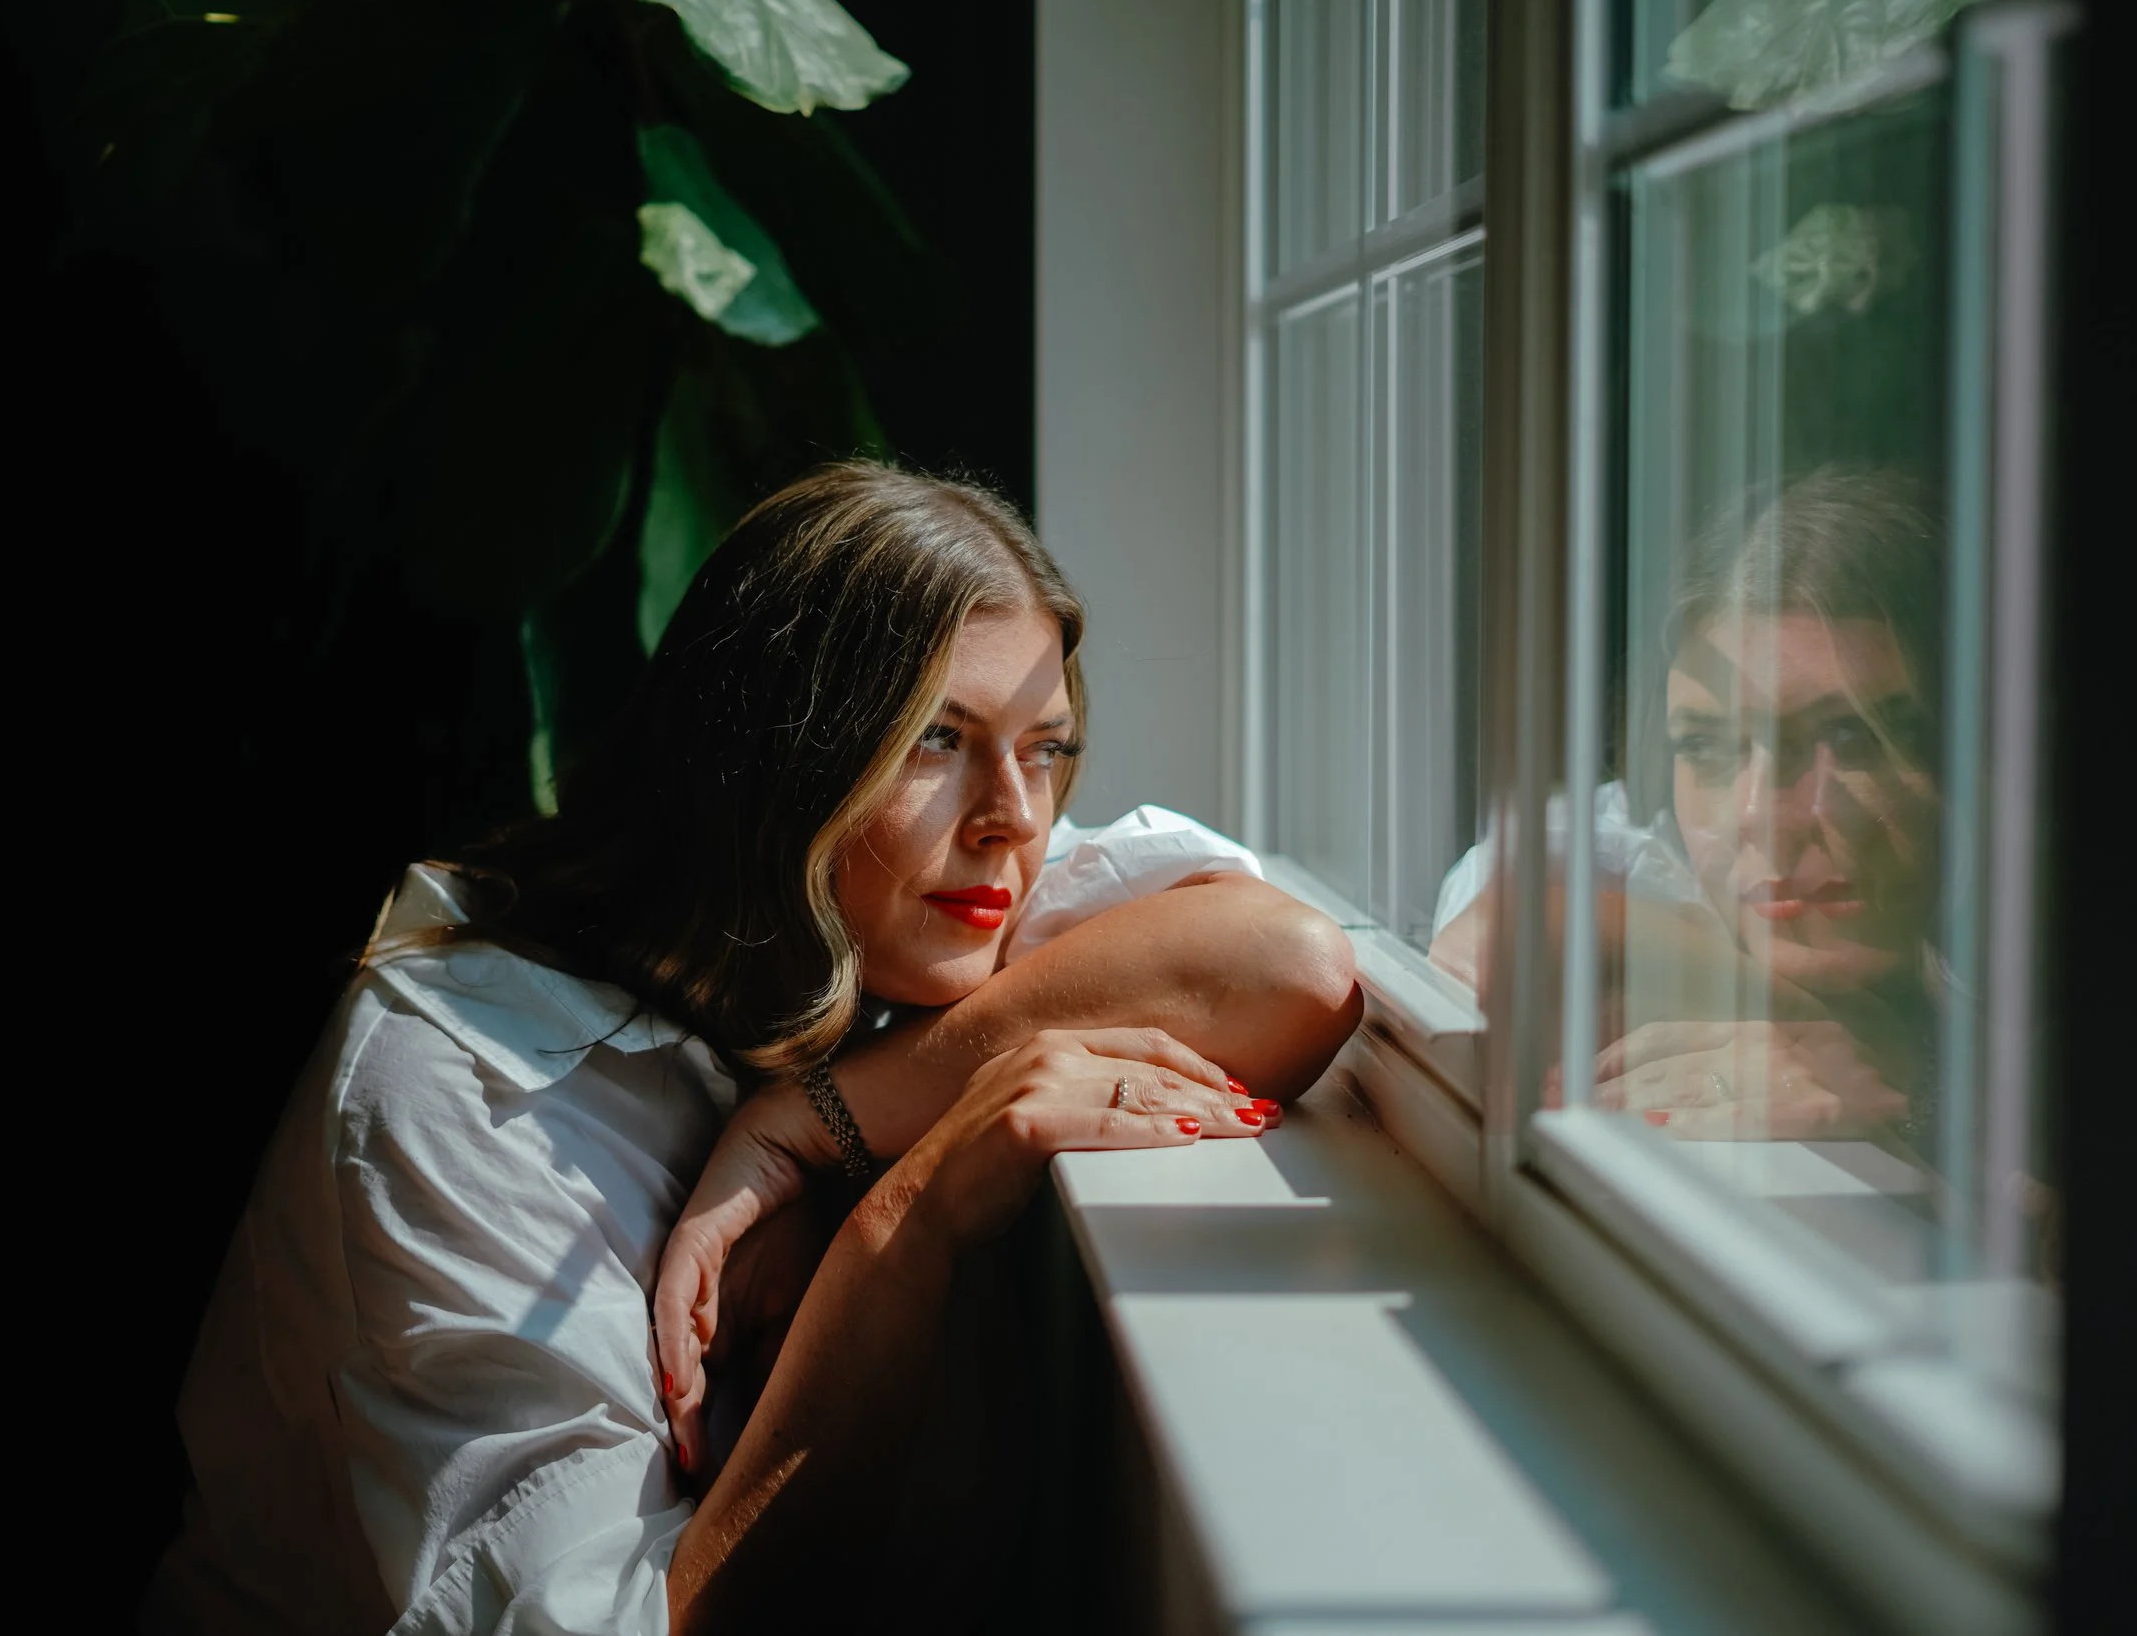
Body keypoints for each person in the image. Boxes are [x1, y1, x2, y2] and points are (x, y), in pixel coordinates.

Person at [145, 463, 1363, 1635]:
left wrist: (812, 1118)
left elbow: (1286, 968)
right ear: (771, 763)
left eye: (1044, 745)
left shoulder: (901, 918)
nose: (1017, 817)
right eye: (936, 738)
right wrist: (906, 1219)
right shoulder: (466, 1091)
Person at [1429, 467, 1945, 1143]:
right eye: (1708, 747)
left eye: (1852, 740)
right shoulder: (1620, 854)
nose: (1760, 812)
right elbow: (1503, 934)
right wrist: (1845, 1031)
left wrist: (1910, 1078)